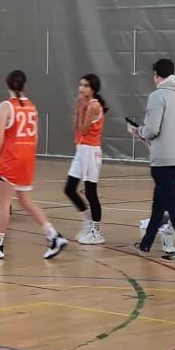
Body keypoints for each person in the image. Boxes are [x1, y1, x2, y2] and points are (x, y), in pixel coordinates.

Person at [0, 71, 67, 260]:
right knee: (25, 200)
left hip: (11, 158)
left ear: (7, 84)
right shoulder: (31, 107)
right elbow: (36, 135)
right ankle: (53, 235)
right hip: (27, 158)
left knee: (4, 203)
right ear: (24, 86)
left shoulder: (6, 106)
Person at [130, 58, 175, 261]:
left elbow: (152, 129)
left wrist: (139, 130)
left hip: (162, 160)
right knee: (158, 203)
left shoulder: (157, 96)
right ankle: (146, 244)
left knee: (172, 205)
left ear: (157, 75)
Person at [63, 74, 107, 244]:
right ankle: (88, 221)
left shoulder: (93, 106)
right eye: (81, 84)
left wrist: (81, 109)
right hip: (81, 150)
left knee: (90, 191)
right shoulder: (84, 105)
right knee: (69, 188)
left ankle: (97, 231)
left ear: (93, 89)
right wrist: (79, 108)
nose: (82, 88)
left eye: (86, 85)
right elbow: (76, 127)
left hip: (91, 151)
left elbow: (83, 129)